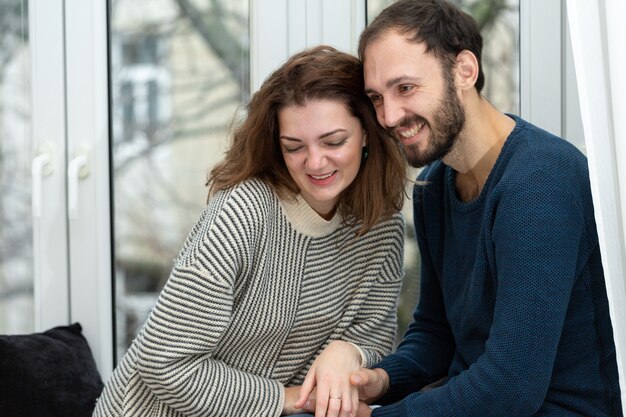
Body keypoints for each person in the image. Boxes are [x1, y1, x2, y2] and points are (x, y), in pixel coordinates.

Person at [93, 45, 408, 417]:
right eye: (294, 147)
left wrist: (348, 351)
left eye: (333, 142)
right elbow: (163, 362)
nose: (315, 162)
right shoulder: (243, 212)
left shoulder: (382, 228)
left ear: (367, 133)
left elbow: (374, 336)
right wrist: (285, 398)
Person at [347, 0, 623, 416]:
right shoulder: (433, 188)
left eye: (404, 88)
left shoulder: (540, 183)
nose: (388, 116)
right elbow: (437, 333)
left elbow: (511, 386)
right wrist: (381, 381)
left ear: (464, 71)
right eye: (376, 97)